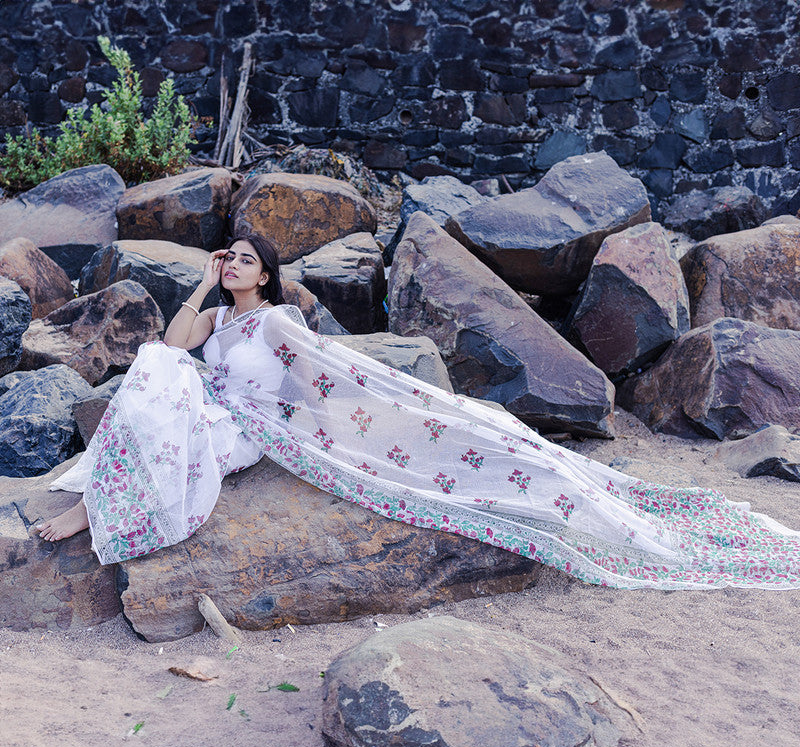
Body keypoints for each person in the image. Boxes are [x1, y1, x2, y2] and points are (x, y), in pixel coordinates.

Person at [34, 234, 800, 589]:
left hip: (248, 425)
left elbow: (332, 379)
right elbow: (172, 344)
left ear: (265, 275)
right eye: (226, 255)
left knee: (161, 392)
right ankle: (97, 501)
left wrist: (386, 419)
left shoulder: (275, 322)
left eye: (241, 259)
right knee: (156, 376)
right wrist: (200, 284)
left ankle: (92, 514)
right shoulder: (223, 317)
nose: (230, 263)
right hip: (214, 407)